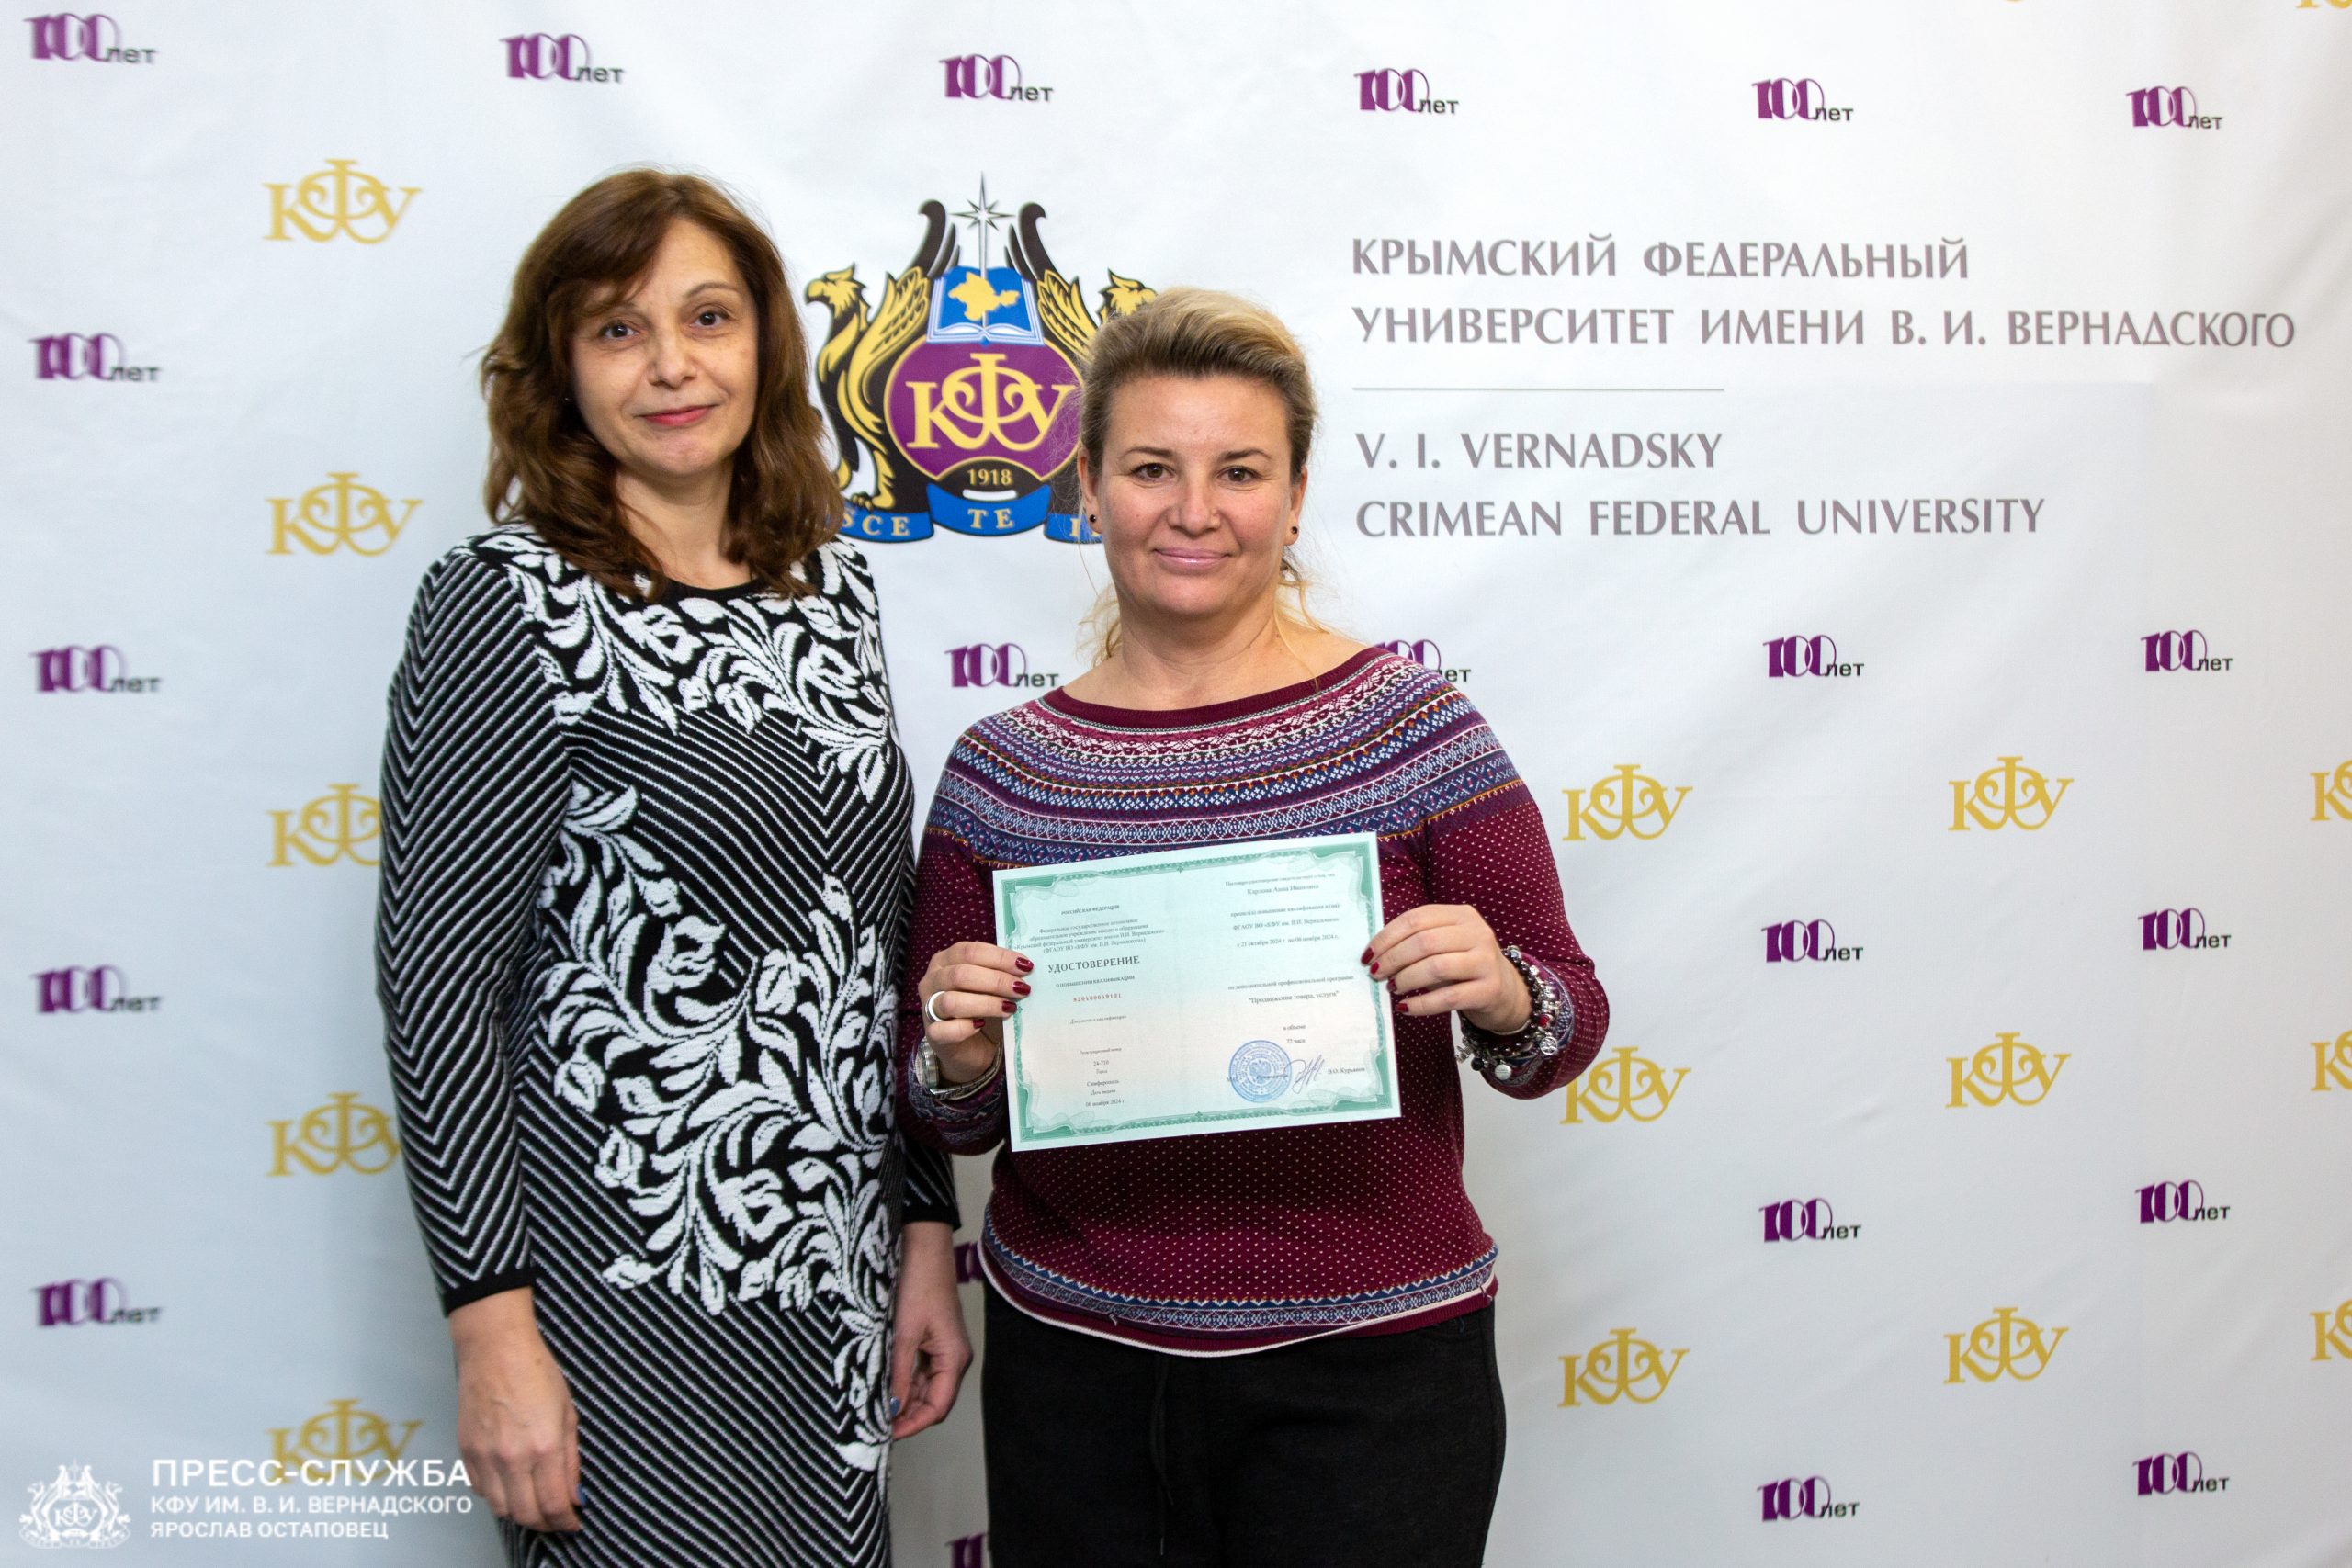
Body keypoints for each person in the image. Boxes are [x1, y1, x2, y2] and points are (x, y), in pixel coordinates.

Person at [898, 288, 1610, 1566]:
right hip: (1079, 1369)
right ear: (1088, 487)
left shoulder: (1414, 730)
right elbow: (949, 1115)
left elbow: (1563, 1030)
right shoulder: (1004, 772)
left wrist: (1505, 990)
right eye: (1150, 469)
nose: (1195, 509)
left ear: (1292, 498)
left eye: (1239, 470)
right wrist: (958, 1057)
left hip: (1374, 1372)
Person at [375, 170, 968, 1568]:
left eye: (708, 318)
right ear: (561, 369)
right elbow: (441, 989)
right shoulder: (506, 599)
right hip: (619, 1288)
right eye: (617, 329)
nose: (671, 366)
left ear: (765, 342)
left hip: (832, 1281)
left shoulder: (832, 590)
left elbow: (878, 951)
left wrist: (923, 1233)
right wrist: (491, 1333)